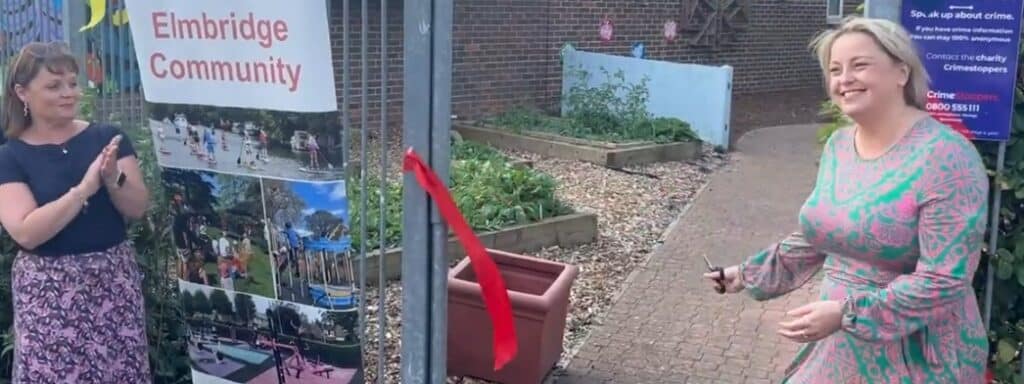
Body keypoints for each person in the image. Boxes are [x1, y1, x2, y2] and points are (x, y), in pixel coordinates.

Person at [703, 17, 989, 383]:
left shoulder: (947, 158)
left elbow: (943, 279)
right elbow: (826, 232)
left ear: (901, 72)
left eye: (860, 65)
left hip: (918, 356)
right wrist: (744, 274)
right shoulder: (840, 146)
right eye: (835, 70)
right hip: (842, 342)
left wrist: (846, 314)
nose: (844, 79)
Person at [0, 41, 152, 383]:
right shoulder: (9, 156)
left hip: (113, 282)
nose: (68, 93)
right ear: (22, 93)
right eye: (54, 86)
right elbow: (26, 231)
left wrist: (113, 179)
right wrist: (84, 189)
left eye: (72, 83)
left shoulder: (108, 138)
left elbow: (138, 207)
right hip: (48, 293)